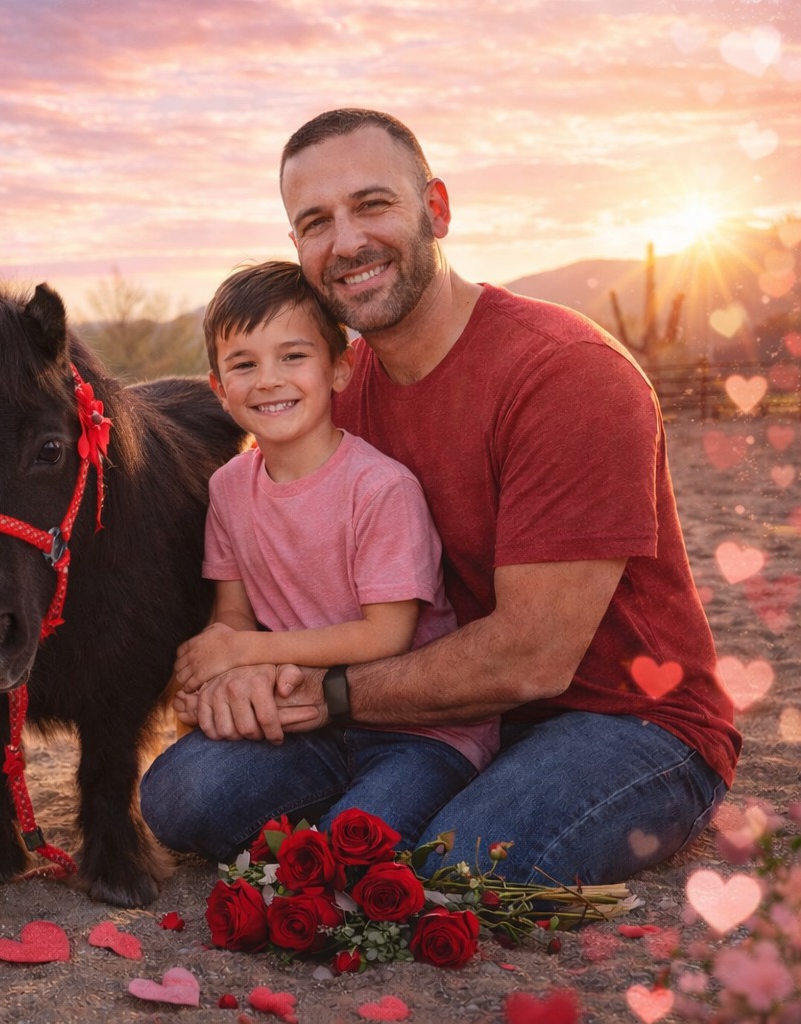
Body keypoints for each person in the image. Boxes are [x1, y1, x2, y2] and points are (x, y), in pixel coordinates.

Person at [141, 109, 739, 885]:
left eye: (373, 204)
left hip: (624, 716)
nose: (347, 240)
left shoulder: (565, 376)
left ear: (438, 209)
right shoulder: (336, 398)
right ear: (299, 249)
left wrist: (310, 692)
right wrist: (243, 675)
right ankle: (438, 782)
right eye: (316, 221)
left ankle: (478, 796)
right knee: (186, 797)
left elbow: (532, 657)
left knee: (455, 867)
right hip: (418, 710)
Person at [169, 260, 497, 844]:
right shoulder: (227, 488)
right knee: (173, 798)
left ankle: (424, 796)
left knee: (349, 845)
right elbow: (234, 614)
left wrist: (244, 651)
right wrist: (225, 667)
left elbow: (385, 637)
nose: (268, 380)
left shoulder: (380, 488)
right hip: (305, 722)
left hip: (419, 728)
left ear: (339, 368)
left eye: (293, 357)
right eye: (243, 364)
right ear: (219, 389)